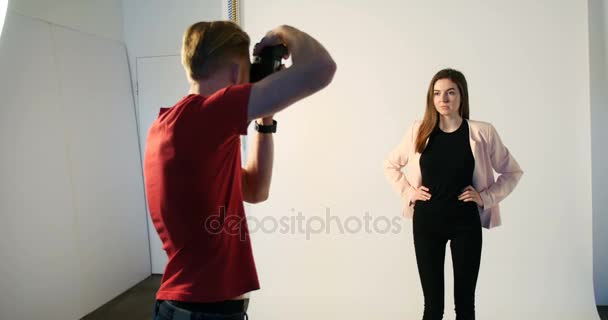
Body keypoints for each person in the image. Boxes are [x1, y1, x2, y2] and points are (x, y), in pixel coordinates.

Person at [144, 21, 336, 320]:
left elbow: (255, 190)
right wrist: (284, 32)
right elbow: (322, 68)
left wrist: (265, 121)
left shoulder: (173, 124)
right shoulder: (208, 113)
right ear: (236, 72)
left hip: (185, 305)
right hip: (205, 311)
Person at [384, 68, 523, 320]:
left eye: (450, 93)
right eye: (437, 93)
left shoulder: (482, 132)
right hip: (427, 224)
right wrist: (409, 192)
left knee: (465, 306)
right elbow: (390, 164)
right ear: (431, 98)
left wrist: (485, 197)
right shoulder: (419, 131)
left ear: (462, 96)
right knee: (433, 307)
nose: (443, 99)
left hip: (465, 225)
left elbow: (512, 171)